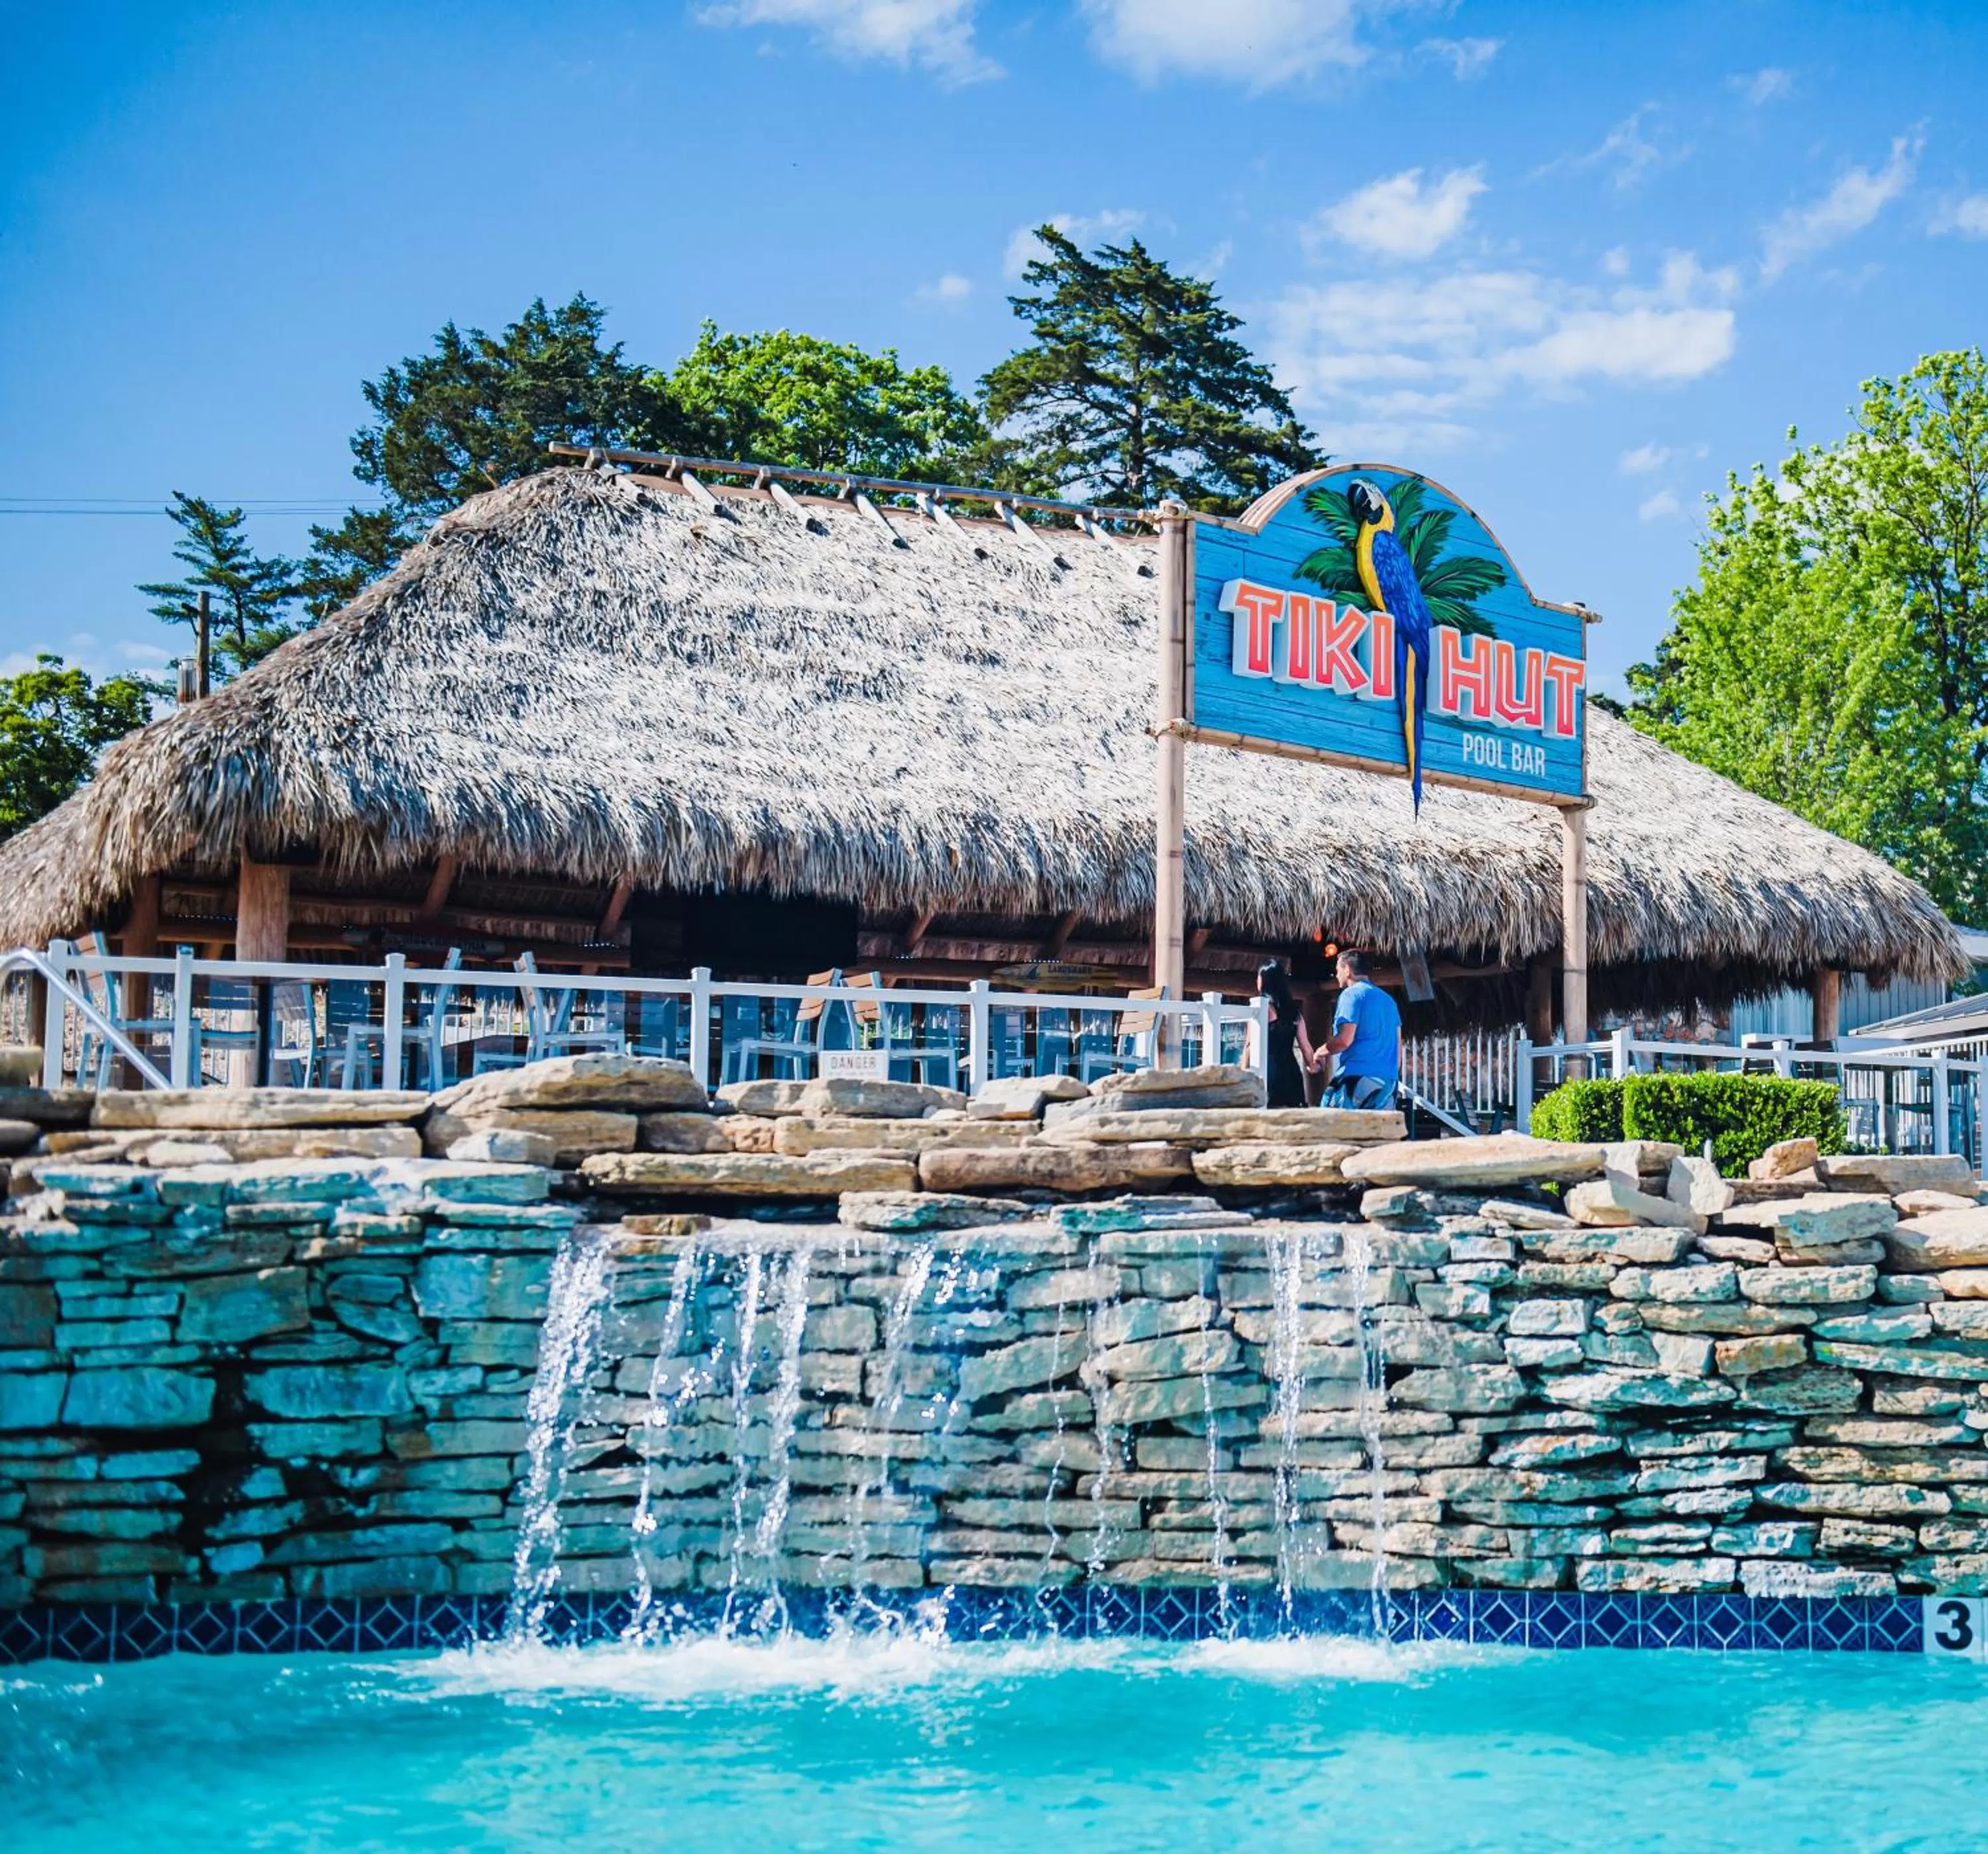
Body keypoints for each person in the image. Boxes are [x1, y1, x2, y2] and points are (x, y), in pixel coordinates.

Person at [1319, 949, 1401, 1110]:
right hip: (1388, 1081)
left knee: (1328, 1126)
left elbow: (1344, 1040)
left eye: (1338, 970)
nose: (1336, 975)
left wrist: (1320, 1052)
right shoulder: (1390, 1002)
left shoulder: (1351, 995)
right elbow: (1398, 1051)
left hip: (1357, 1077)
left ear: (1348, 970)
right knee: (1377, 1134)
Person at [1254, 959, 1319, 1109]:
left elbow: (1249, 1045)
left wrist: (1244, 1071)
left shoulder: (1260, 1010)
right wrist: (1313, 1065)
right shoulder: (1294, 1013)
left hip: (1268, 1071)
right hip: (1291, 1072)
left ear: (1264, 980)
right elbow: (1306, 1047)